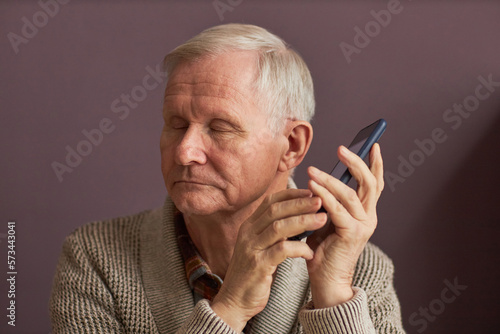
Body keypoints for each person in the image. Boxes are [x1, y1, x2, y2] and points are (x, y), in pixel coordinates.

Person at [49, 23, 405, 333]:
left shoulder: (360, 270)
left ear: (292, 146)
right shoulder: (95, 257)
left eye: (220, 128)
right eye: (176, 125)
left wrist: (333, 298)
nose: (184, 151)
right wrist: (231, 306)